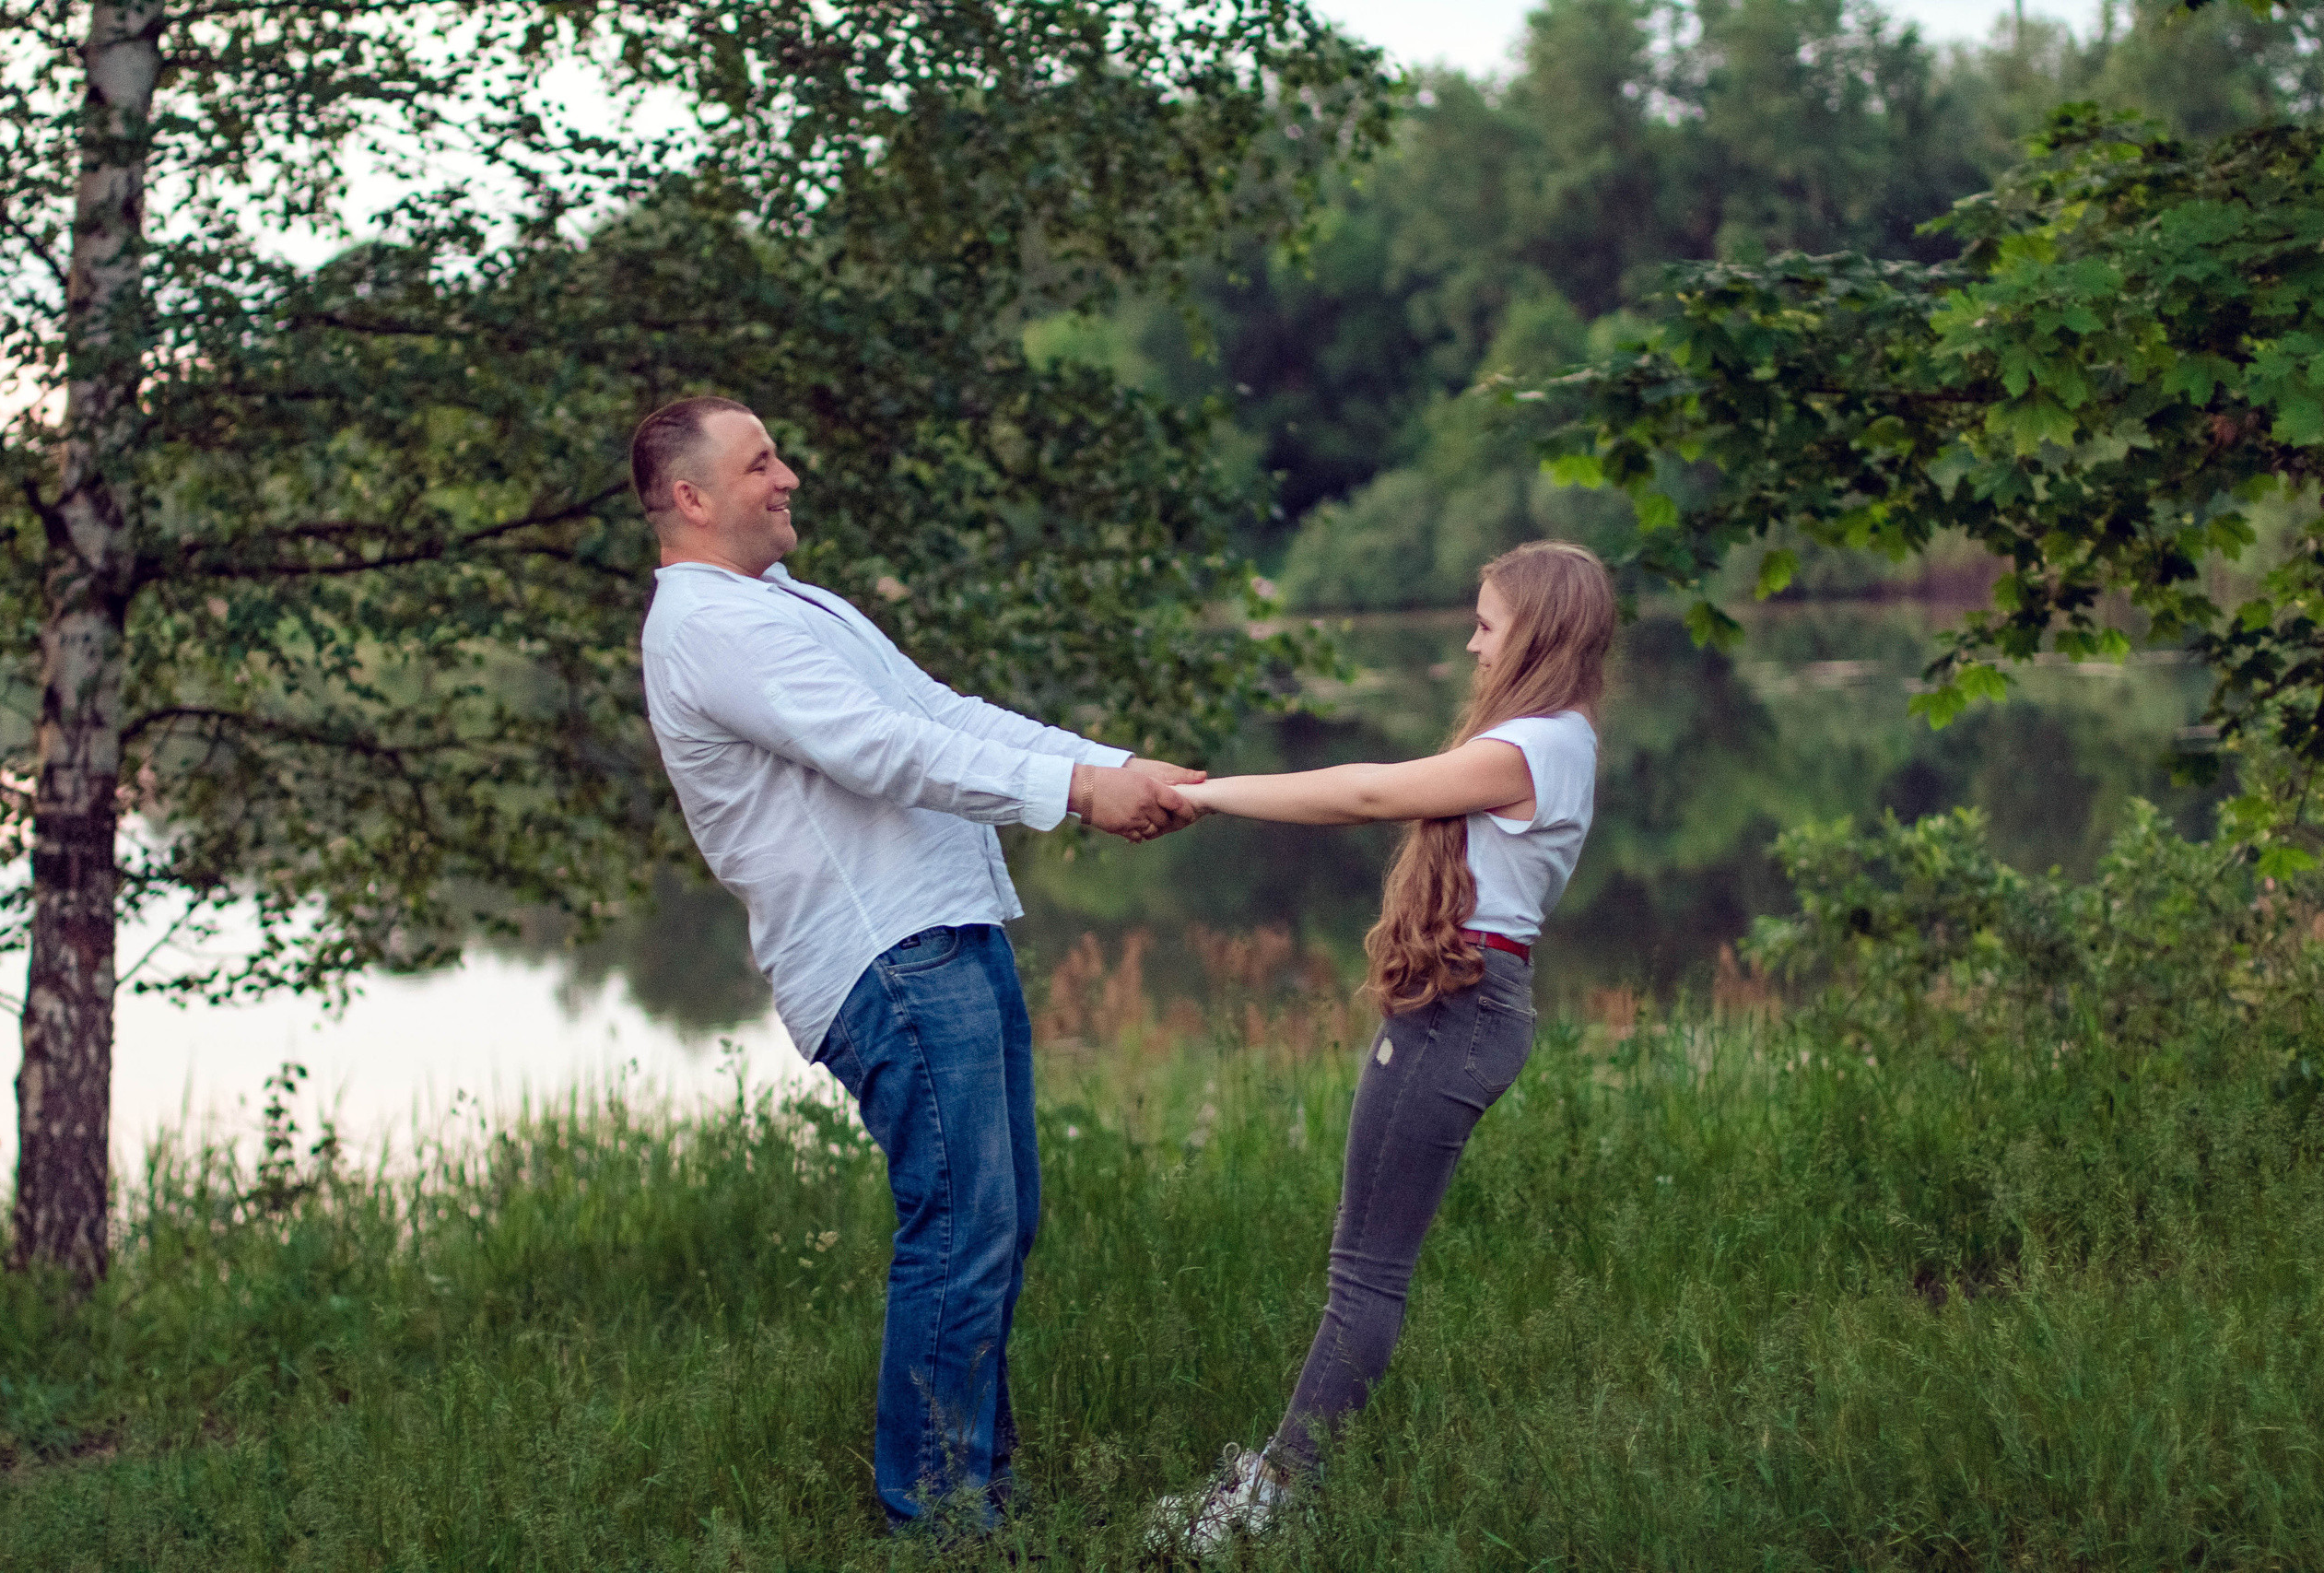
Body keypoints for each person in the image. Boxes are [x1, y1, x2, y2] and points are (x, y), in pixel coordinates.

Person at [630, 395, 1203, 1532]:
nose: (788, 476)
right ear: (690, 499)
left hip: (942, 929)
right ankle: (939, 1526)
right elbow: (882, 750)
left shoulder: (785, 603)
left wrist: (1111, 761)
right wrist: (1082, 793)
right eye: (760, 464)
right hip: (883, 957)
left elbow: (938, 710)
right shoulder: (709, 627)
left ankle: (975, 1499)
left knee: (996, 1221)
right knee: (960, 1226)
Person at [1149, 540, 1616, 1555]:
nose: (1470, 642)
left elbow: (1365, 793)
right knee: (1361, 1268)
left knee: (1364, 1276)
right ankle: (1279, 1477)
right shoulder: (1552, 739)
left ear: (1536, 630)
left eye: (1486, 624)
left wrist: (1207, 792)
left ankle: (1270, 1505)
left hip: (1461, 1014)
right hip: (1464, 1006)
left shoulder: (1534, 746)